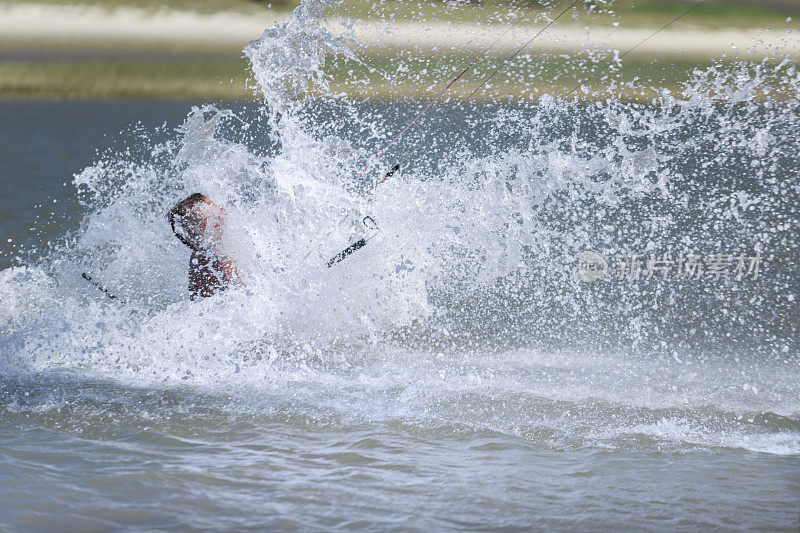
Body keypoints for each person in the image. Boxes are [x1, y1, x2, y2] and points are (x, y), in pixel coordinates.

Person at [167, 193, 243, 300]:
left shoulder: (200, 255)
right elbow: (243, 295)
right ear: (205, 227)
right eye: (216, 212)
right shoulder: (216, 257)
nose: (222, 211)